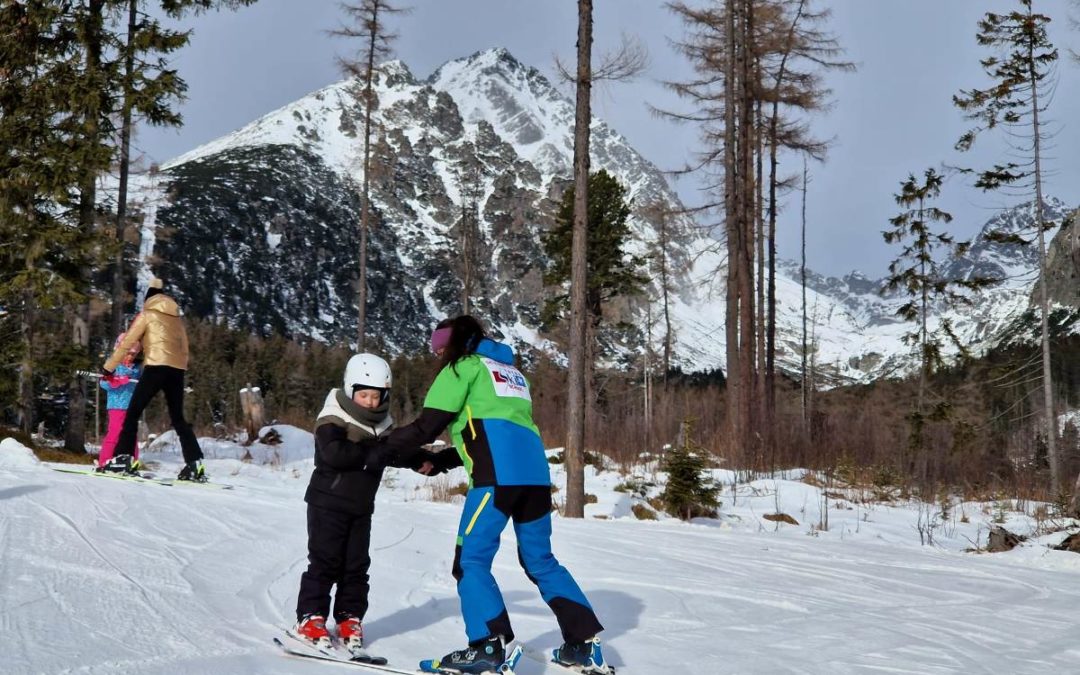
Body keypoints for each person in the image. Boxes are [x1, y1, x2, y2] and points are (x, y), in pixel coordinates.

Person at [380, 315, 613, 675]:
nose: (438, 355)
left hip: (495, 481)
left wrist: (378, 447)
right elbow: (491, 430)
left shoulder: (462, 368)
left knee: (470, 561)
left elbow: (427, 425)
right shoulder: (513, 375)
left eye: (440, 348)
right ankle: (583, 645)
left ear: (453, 344)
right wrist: (440, 462)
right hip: (534, 479)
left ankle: (487, 647)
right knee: (541, 561)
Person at [293, 353, 432, 658]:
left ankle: (349, 617)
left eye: (376, 396)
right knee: (325, 562)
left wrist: (422, 460)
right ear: (350, 390)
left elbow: (395, 452)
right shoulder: (333, 418)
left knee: (356, 566)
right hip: (327, 503)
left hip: (360, 507)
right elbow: (334, 454)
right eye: (364, 394)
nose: (370, 402)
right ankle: (311, 617)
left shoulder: (383, 424)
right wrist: (374, 456)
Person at [100, 278, 205, 481]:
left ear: (149, 299)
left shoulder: (147, 315)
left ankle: (123, 459)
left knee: (132, 414)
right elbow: (185, 348)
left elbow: (128, 341)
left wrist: (108, 367)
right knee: (178, 418)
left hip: (156, 367)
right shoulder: (177, 320)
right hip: (177, 370)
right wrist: (180, 368)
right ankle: (194, 463)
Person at [96, 333, 142, 470]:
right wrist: (115, 381)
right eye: (128, 353)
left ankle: (131, 462)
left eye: (134, 354)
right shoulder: (113, 365)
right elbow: (104, 384)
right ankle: (105, 462)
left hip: (132, 407)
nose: (130, 357)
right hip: (117, 406)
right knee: (115, 433)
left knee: (131, 435)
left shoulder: (136, 369)